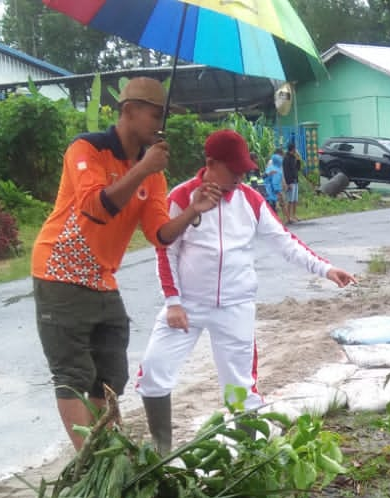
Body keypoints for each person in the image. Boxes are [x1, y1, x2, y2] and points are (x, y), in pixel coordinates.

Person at [136, 130, 357, 452]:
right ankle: (161, 451)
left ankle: (251, 456)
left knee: (240, 387)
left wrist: (325, 269)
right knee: (154, 370)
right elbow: (165, 250)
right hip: (188, 306)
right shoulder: (183, 198)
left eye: (244, 169)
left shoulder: (250, 200)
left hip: (235, 305)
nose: (241, 176)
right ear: (211, 163)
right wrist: (173, 302)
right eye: (234, 169)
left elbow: (285, 242)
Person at [31, 76, 220, 450]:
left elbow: (159, 234)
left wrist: (192, 211)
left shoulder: (154, 175)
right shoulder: (87, 149)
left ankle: (103, 450)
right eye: (156, 114)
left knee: (110, 375)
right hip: (60, 274)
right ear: (129, 111)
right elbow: (96, 207)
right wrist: (143, 169)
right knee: (72, 373)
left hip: (103, 278)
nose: (161, 124)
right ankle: (90, 461)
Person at [280, 139, 303, 225]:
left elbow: (297, 169)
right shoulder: (286, 158)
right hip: (290, 182)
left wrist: (298, 159)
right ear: (292, 149)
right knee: (289, 200)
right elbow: (286, 172)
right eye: (295, 149)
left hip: (295, 180)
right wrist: (288, 183)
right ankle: (288, 217)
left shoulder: (294, 157)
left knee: (294, 200)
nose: (296, 150)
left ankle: (294, 215)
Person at [263, 146, 284, 211]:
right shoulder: (275, 167)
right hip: (271, 193)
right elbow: (275, 183)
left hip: (266, 191)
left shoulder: (272, 165)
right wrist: (279, 193)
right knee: (273, 211)